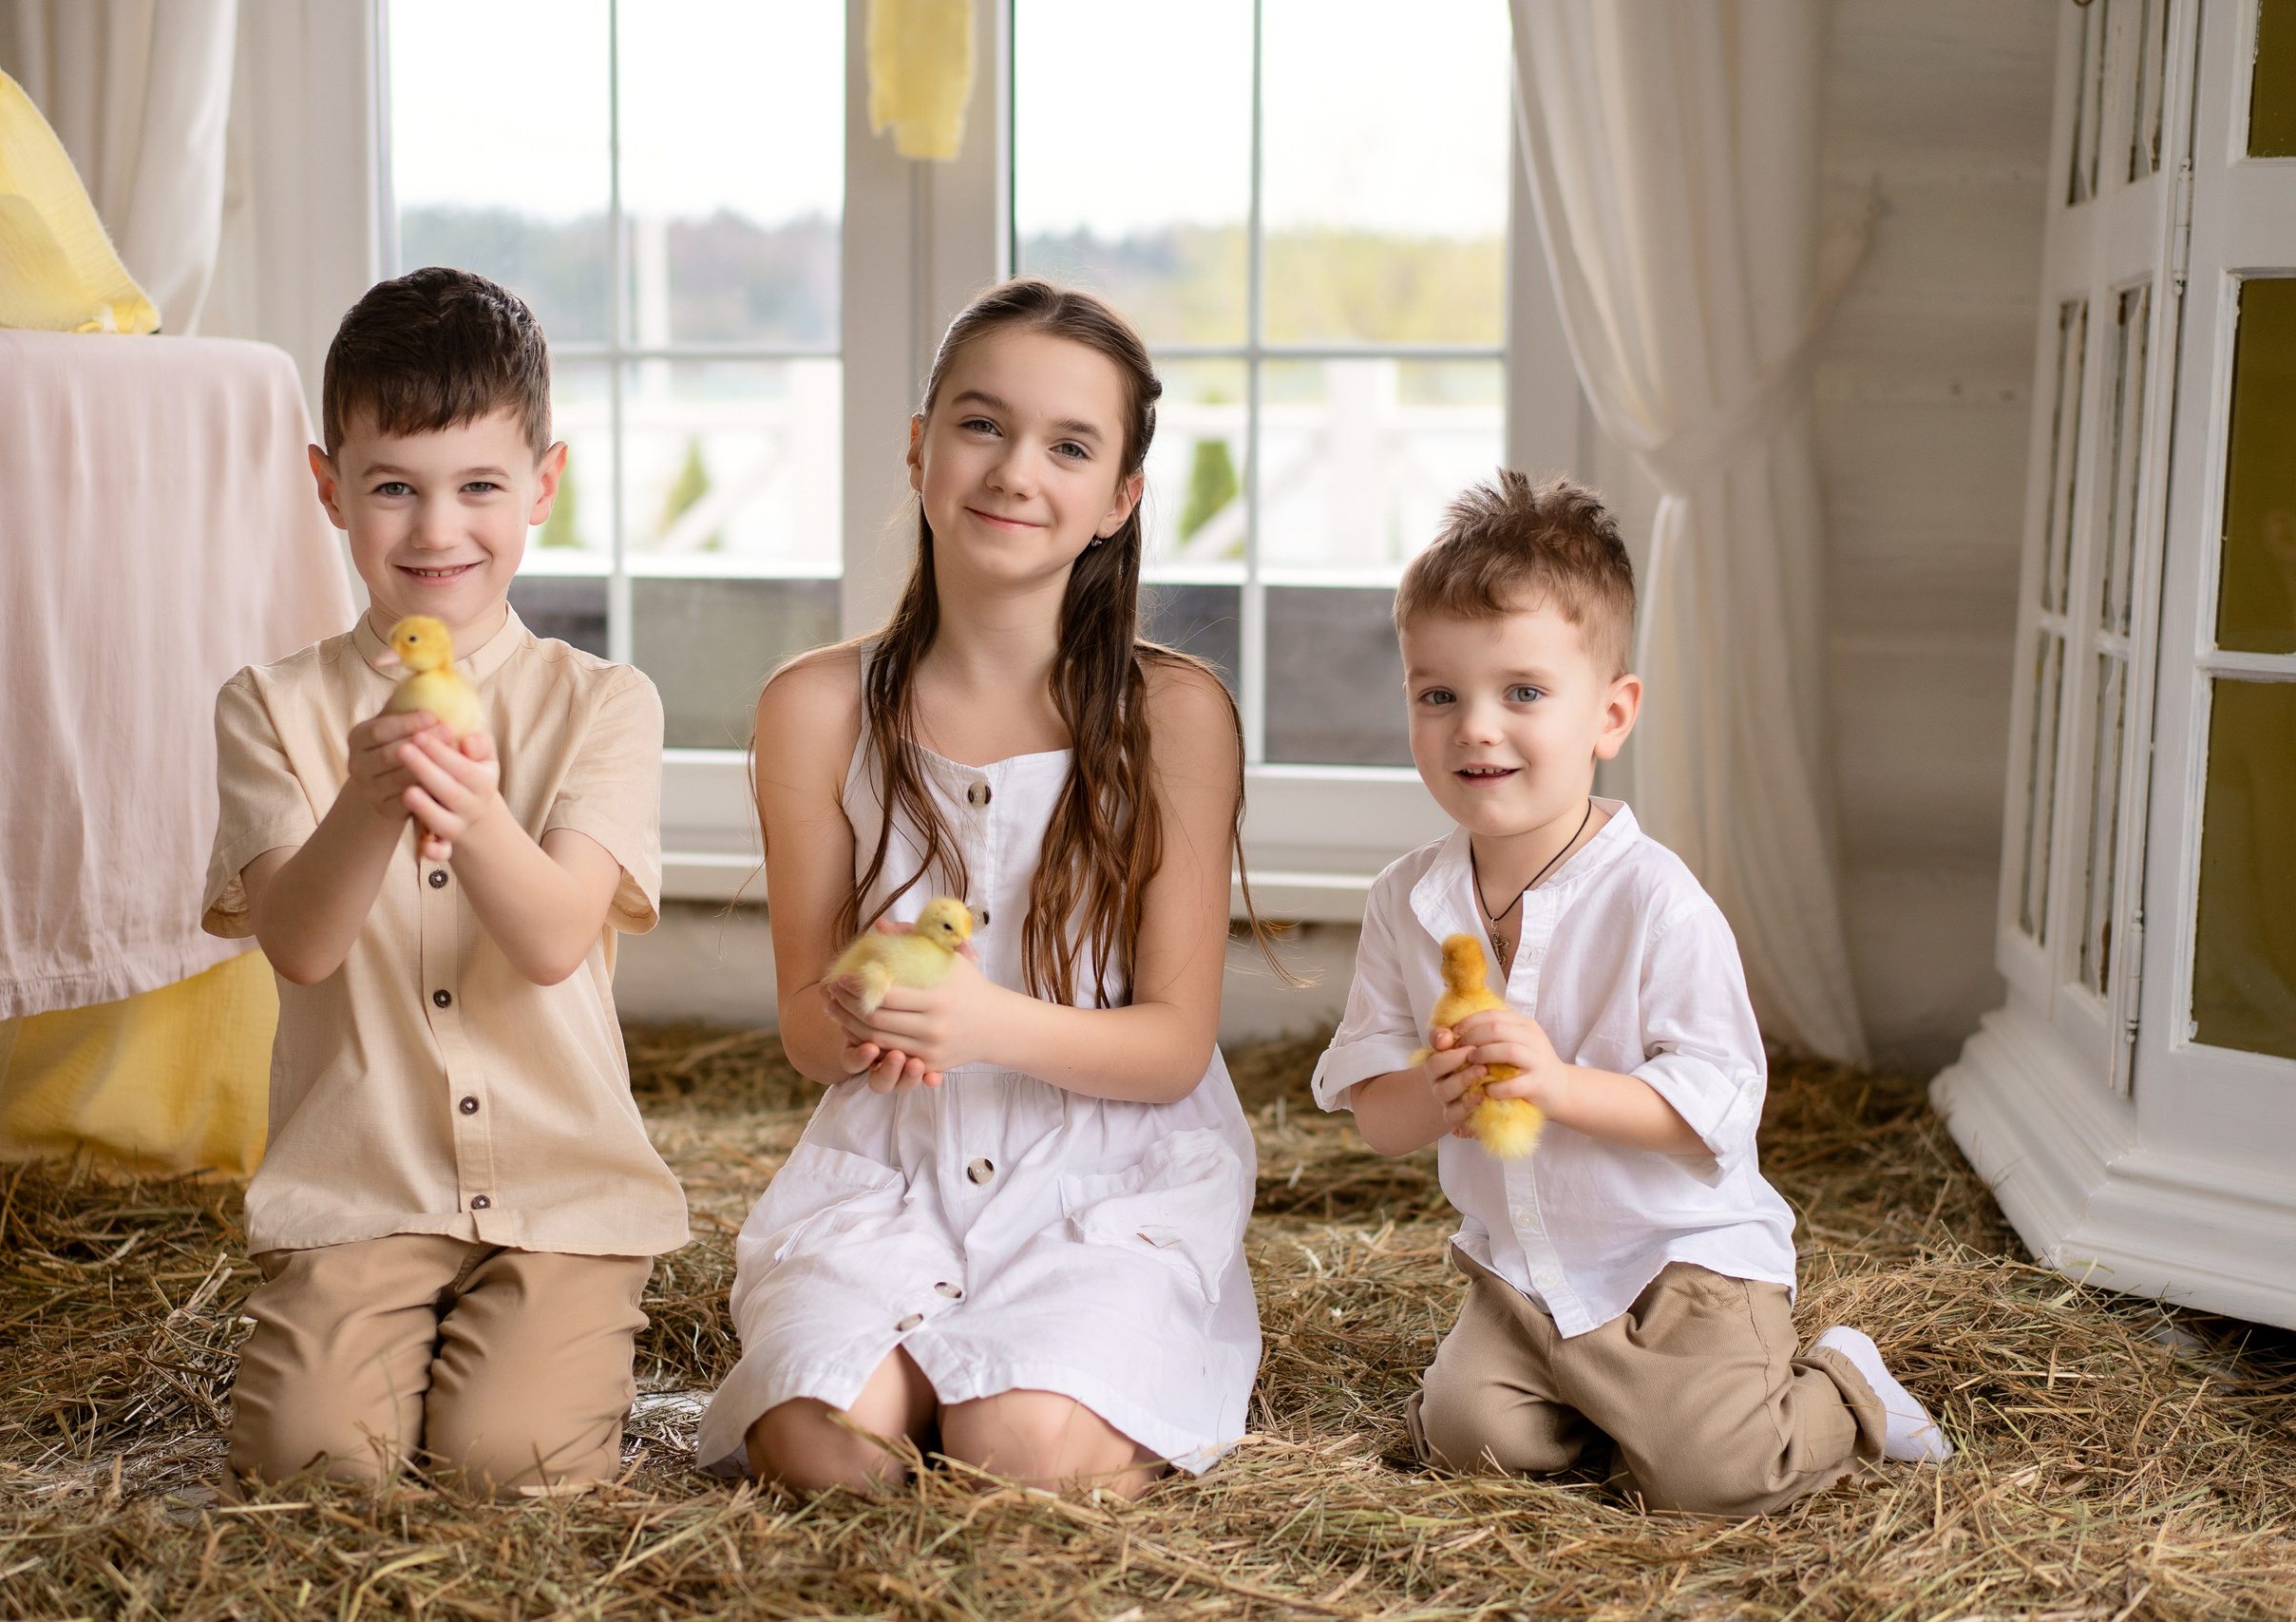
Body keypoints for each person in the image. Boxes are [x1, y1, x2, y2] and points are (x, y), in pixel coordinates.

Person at [695, 279, 1260, 1498]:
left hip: (1105, 1177)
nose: (1014, 470)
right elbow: (805, 1029)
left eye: (1069, 446)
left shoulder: (1174, 716)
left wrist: (985, 1023)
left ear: (1118, 500)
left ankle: (1041, 1384)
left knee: (1020, 1456)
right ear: (918, 448)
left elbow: (1170, 1049)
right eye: (981, 424)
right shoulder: (814, 709)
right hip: (892, 1169)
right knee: (820, 1453)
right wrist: (858, 1011)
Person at [1313, 470, 1949, 1517]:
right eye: (1439, 694)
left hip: (1675, 1267)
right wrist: (1448, 1088)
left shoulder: (1658, 902)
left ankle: (1841, 1386)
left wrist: (1556, 1084)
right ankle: (1618, 1408)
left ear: (1611, 715)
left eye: (1522, 693)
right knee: (1464, 1440)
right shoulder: (1405, 903)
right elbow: (1380, 1117)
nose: (1475, 727)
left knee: (1717, 1481)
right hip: (1523, 1274)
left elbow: (1717, 1103)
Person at [200, 268, 688, 1498]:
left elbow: (553, 936)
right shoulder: (272, 708)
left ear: (542, 484)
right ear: (329, 487)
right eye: (393, 489)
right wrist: (372, 802)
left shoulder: (603, 706)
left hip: (562, 1188)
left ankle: (542, 1346)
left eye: (478, 486)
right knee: (312, 1463)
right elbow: (300, 945)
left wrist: (468, 811)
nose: (436, 531)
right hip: (363, 1186)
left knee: (503, 1463)